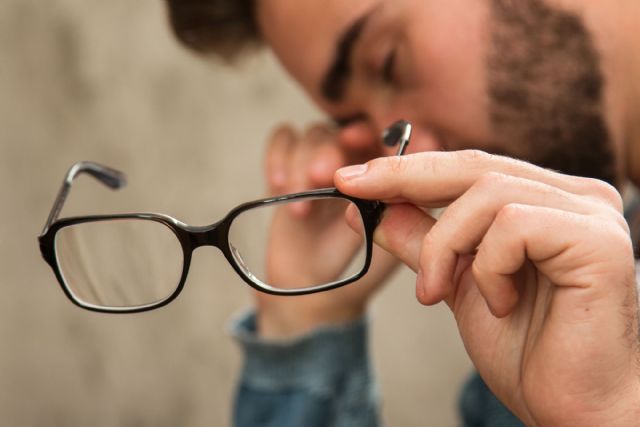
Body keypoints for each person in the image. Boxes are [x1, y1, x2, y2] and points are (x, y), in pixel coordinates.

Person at [166, 0, 640, 425]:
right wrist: (305, 326)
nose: (411, 157)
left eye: (387, 62)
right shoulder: (557, 342)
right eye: (355, 124)